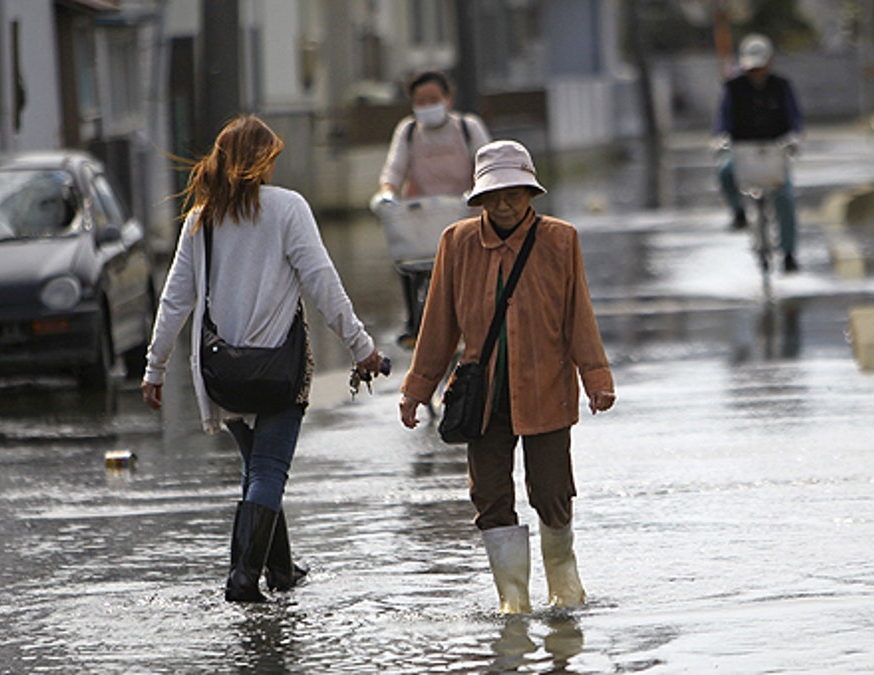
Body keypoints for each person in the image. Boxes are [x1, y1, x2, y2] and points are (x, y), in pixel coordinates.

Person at [140, 115, 385, 603]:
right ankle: (241, 579)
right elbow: (323, 284)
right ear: (261, 161)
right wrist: (363, 348)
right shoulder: (288, 208)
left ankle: (280, 570)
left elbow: (175, 301)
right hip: (277, 370)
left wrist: (155, 368)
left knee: (259, 471)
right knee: (269, 472)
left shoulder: (200, 220)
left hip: (223, 374)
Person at [398, 140, 616, 614]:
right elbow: (437, 326)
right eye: (493, 195)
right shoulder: (456, 243)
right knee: (490, 496)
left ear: (530, 193)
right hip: (484, 396)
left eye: (513, 193)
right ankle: (512, 599)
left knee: (553, 492)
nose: (503, 203)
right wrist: (416, 389)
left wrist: (596, 377)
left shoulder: (560, 239)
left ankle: (564, 586)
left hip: (546, 389)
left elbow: (578, 314)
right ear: (478, 199)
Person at [372, 69, 491, 348]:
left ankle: (476, 322)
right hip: (423, 218)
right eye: (420, 101)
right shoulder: (409, 131)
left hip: (465, 212)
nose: (427, 106)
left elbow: (486, 163)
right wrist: (387, 194)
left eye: (433, 99)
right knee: (409, 261)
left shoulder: (468, 127)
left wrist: (478, 192)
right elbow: (394, 170)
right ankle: (414, 324)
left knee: (470, 270)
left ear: (448, 99)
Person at [715, 33, 804, 272]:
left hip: (775, 151)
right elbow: (724, 119)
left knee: (784, 197)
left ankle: (788, 254)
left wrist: (794, 137)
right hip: (744, 151)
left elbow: (794, 117)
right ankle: (738, 213)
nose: (756, 72)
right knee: (725, 172)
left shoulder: (781, 86)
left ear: (770, 62)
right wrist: (721, 138)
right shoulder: (734, 88)